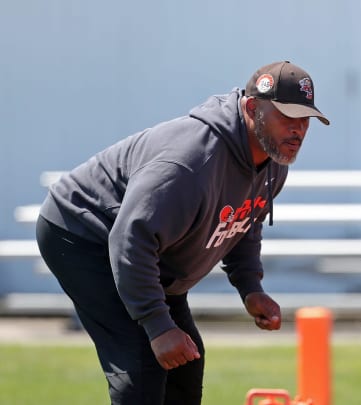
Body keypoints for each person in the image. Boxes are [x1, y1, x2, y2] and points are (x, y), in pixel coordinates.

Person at [35, 60, 329, 404]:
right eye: (287, 116)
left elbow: (244, 219)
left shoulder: (271, 162)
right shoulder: (190, 162)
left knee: (186, 363)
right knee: (144, 365)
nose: (298, 129)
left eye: (305, 119)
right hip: (84, 232)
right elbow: (130, 239)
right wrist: (158, 325)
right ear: (252, 108)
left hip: (147, 248)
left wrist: (250, 286)